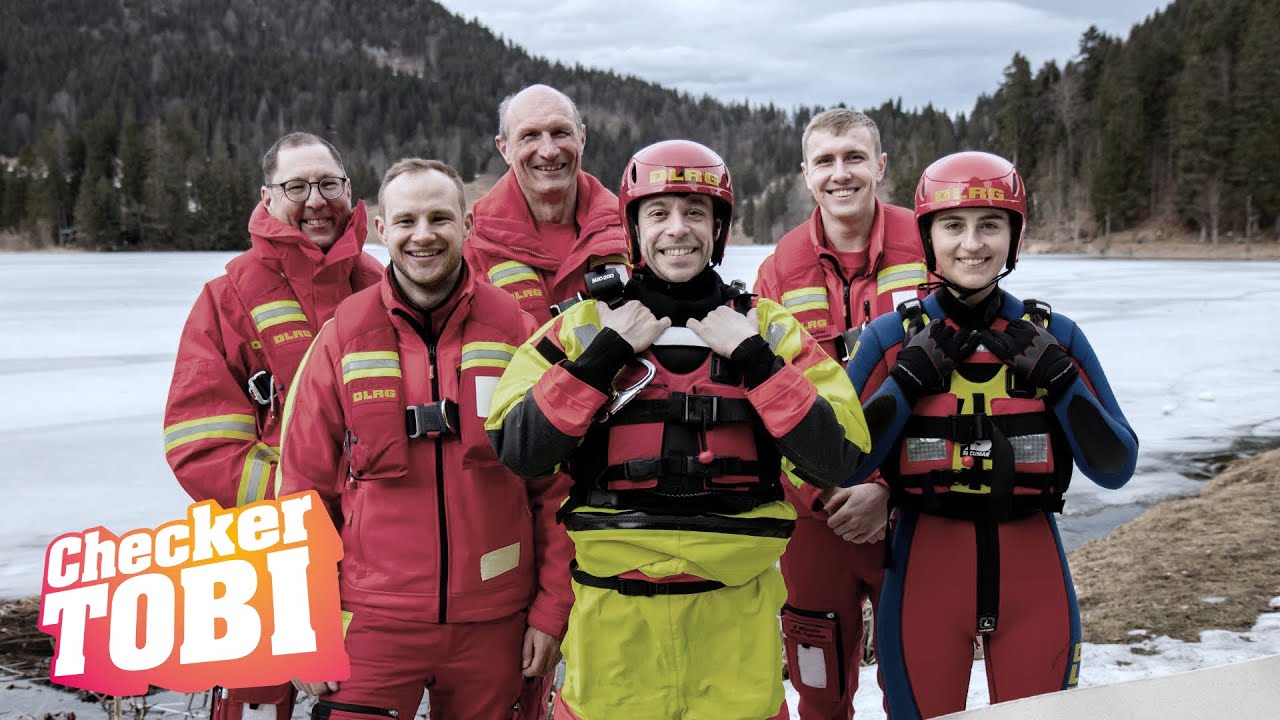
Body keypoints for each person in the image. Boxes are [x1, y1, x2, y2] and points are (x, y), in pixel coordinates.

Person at [485, 140, 871, 720]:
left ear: (718, 227)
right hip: (614, 624)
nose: (677, 230)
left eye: (695, 213)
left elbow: (840, 456)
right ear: (634, 227)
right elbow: (519, 449)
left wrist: (756, 360)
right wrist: (603, 355)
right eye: (659, 213)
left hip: (734, 623)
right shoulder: (581, 330)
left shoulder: (767, 328)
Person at [274, 159, 573, 719]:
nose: (423, 235)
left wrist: (550, 612)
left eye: (440, 218)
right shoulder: (344, 333)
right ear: (382, 229)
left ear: (466, 225)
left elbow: (555, 485)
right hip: (372, 623)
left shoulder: (514, 331)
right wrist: (304, 627)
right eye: (406, 220)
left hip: (495, 622)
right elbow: (302, 494)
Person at [845, 151, 1139, 719]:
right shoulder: (888, 338)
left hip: (1035, 579)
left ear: (1014, 236)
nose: (972, 244)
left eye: (991, 225)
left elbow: (1115, 466)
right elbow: (842, 462)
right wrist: (905, 383)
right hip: (924, 581)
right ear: (928, 237)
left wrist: (1061, 381)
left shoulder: (1056, 336)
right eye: (953, 225)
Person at [162, 132, 383, 720]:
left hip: (376, 553)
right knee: (257, 702)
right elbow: (198, 444)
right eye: (296, 187)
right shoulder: (226, 298)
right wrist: (304, 509)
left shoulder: (385, 290)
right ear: (267, 196)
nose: (316, 200)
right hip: (265, 554)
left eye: (328, 184)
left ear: (349, 190)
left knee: (362, 699)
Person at [754, 108, 928, 719]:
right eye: (825, 161)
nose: (841, 173)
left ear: (880, 166)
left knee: (917, 680)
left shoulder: (929, 246)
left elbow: (953, 390)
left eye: (854, 157)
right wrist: (826, 493)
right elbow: (768, 397)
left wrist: (886, 489)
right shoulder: (780, 266)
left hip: (912, 510)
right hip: (814, 517)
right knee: (817, 677)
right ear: (805, 174)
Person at [466, 84, 631, 325]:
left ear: (582, 138)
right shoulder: (471, 244)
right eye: (530, 136)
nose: (549, 151)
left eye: (560, 132)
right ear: (504, 149)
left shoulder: (631, 233)